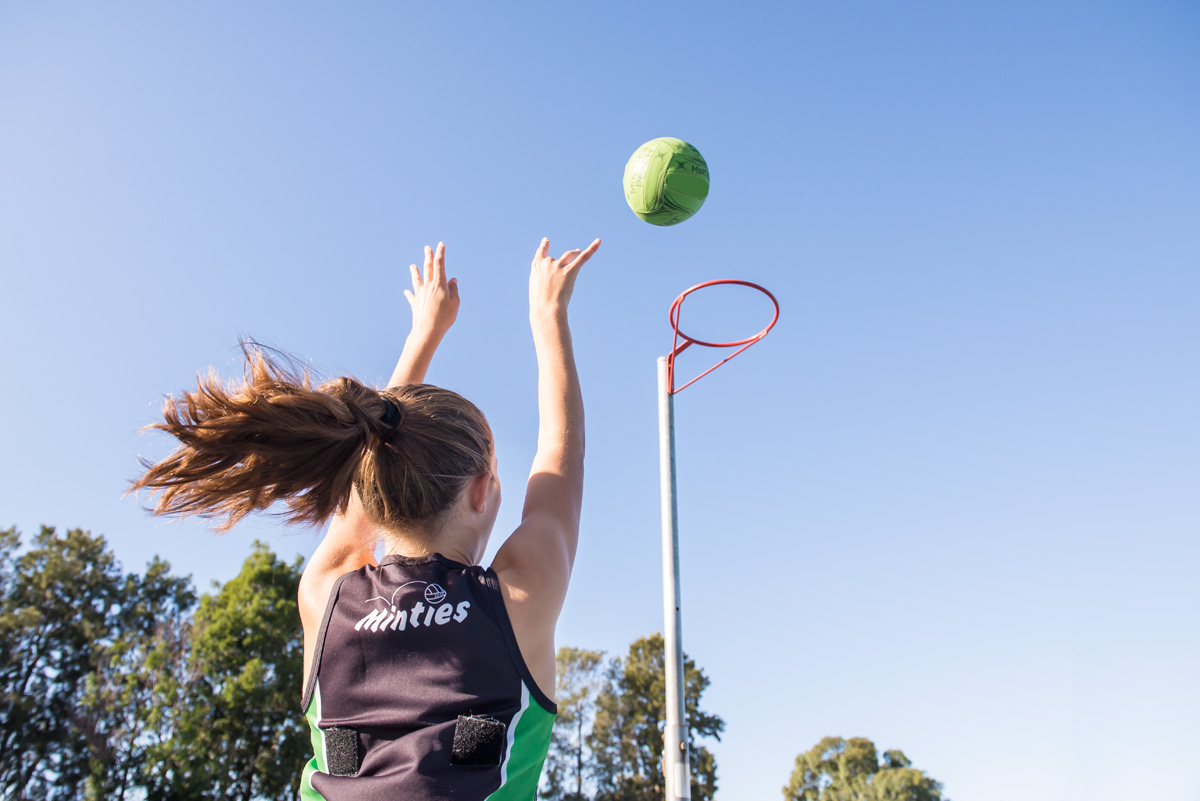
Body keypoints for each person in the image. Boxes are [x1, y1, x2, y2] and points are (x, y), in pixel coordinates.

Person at [132, 236, 601, 800]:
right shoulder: (517, 600)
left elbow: (374, 462)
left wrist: (422, 334)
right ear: (483, 492)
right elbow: (560, 454)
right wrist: (550, 314)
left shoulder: (328, 597)